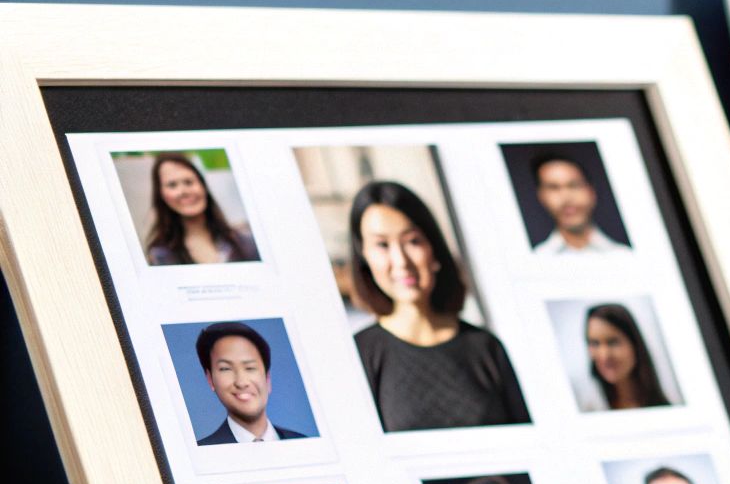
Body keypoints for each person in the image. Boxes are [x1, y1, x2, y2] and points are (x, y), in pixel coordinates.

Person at [348, 180, 532, 432]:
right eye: (382, 245)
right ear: (364, 257)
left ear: (433, 248)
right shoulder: (358, 355)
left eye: (412, 241)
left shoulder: (486, 347)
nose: (401, 261)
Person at [193, 322, 307, 445]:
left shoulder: (306, 443)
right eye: (226, 369)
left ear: (267, 378)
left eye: (250, 368)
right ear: (210, 379)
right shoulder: (202, 452)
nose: (241, 382)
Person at [143, 153, 259, 265]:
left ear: (203, 186)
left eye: (189, 182)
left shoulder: (245, 243)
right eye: (172, 185)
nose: (184, 192)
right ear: (161, 195)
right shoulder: (160, 255)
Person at [529, 153, 631, 257]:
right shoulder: (537, 257)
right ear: (541, 197)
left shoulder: (625, 255)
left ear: (591, 192)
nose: (566, 197)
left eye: (574, 185)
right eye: (553, 188)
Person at [580, 303, 673, 411]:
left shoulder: (667, 409)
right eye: (595, 343)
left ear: (635, 344)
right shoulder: (588, 407)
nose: (604, 356)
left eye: (612, 342)